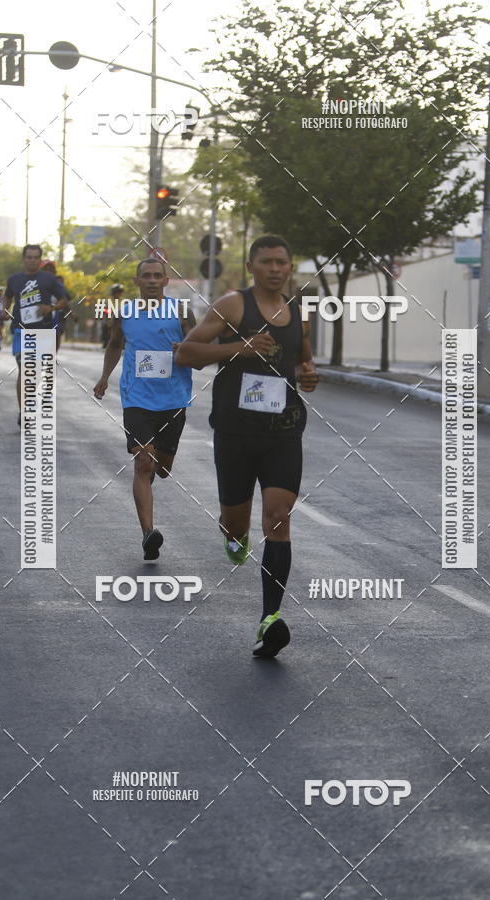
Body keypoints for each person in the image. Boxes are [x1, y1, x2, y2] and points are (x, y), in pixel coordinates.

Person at [175, 235, 319, 659]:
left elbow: (302, 362)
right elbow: (186, 353)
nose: (276, 269)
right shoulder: (235, 305)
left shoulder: (298, 314)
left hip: (283, 432)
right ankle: (232, 536)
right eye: (267, 262)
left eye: (282, 262)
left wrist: (309, 376)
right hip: (236, 434)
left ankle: (269, 618)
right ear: (252, 266)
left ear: (290, 268)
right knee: (235, 524)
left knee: (278, 517)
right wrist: (240, 347)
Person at [93, 258, 195, 561]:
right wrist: (104, 376)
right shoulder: (124, 312)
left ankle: (151, 474)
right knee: (143, 463)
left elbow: (199, 343)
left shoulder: (180, 310)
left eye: (157, 276)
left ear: (165, 281)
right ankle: (148, 534)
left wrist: (186, 348)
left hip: (174, 399)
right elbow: (114, 344)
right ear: (137, 281)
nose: (151, 280)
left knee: (162, 470)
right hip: (136, 398)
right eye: (146, 276)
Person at [4, 244, 67, 425]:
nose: (31, 260)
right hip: (20, 330)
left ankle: (29, 405)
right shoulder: (14, 279)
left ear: (39, 260)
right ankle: (24, 412)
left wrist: (51, 308)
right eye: (28, 257)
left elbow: (64, 301)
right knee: (24, 369)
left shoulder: (49, 279)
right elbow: (8, 296)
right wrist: (4, 308)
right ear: (23, 259)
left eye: (35, 257)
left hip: (43, 331)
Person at [102, 284, 124, 348]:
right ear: (113, 292)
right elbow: (105, 310)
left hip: (120, 322)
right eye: (117, 292)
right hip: (109, 322)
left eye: (120, 292)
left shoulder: (122, 301)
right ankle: (105, 342)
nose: (119, 294)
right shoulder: (108, 301)